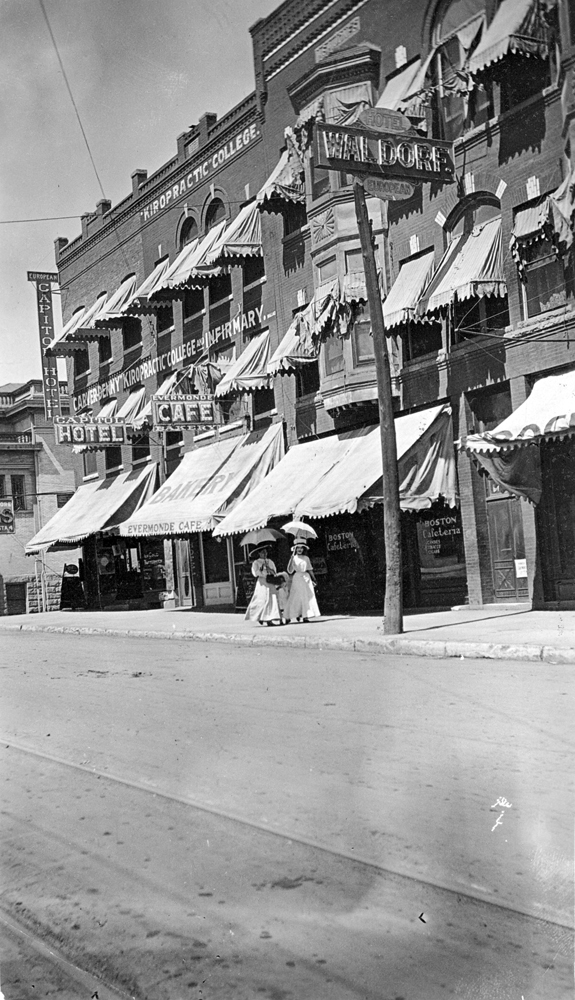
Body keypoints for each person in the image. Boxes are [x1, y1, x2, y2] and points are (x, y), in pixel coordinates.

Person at [244, 545, 283, 626]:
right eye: (262, 552)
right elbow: (255, 573)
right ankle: (261, 617)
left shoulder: (270, 561)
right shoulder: (256, 562)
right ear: (259, 553)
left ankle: (270, 618)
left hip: (270, 581)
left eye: (265, 552)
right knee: (261, 600)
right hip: (262, 582)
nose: (264, 554)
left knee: (271, 599)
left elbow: (274, 572)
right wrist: (261, 569)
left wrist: (269, 569)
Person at [285, 542, 320, 622]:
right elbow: (289, 571)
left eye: (301, 548)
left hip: (306, 578)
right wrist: (291, 558)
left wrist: (314, 578)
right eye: (298, 548)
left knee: (306, 597)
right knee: (295, 596)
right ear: (295, 549)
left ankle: (305, 616)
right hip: (297, 578)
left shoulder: (306, 558)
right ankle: (289, 615)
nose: (300, 549)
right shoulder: (293, 558)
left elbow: (309, 568)